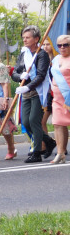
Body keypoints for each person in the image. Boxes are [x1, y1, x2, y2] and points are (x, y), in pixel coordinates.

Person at [12, 24, 56, 163]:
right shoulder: (24, 53)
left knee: (34, 121)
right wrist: (20, 76)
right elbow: (14, 72)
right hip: (26, 93)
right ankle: (48, 141)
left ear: (36, 38)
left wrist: (28, 86)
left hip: (38, 91)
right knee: (26, 122)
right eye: (23, 37)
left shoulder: (41, 54)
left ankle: (37, 152)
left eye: (28, 37)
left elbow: (41, 75)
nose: (24, 40)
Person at [49, 34, 70, 164]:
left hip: (68, 97)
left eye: (65, 45)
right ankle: (60, 153)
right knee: (57, 124)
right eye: (59, 45)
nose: (62, 47)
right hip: (57, 97)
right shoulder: (56, 59)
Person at [41, 37, 56, 135]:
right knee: (42, 122)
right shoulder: (41, 59)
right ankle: (47, 144)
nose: (45, 47)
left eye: (48, 44)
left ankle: (61, 146)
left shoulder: (57, 59)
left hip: (57, 93)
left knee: (59, 123)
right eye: (44, 44)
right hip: (46, 94)